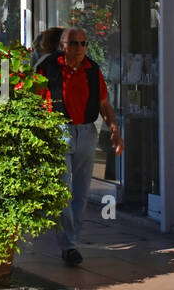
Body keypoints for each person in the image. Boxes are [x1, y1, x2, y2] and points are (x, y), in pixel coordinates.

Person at [36, 26, 124, 266]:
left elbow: (104, 104)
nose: (79, 49)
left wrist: (114, 129)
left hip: (86, 131)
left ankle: (71, 241)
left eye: (83, 44)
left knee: (81, 193)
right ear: (63, 46)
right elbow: (33, 99)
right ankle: (69, 245)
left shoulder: (92, 70)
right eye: (73, 43)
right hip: (59, 130)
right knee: (63, 190)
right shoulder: (48, 68)